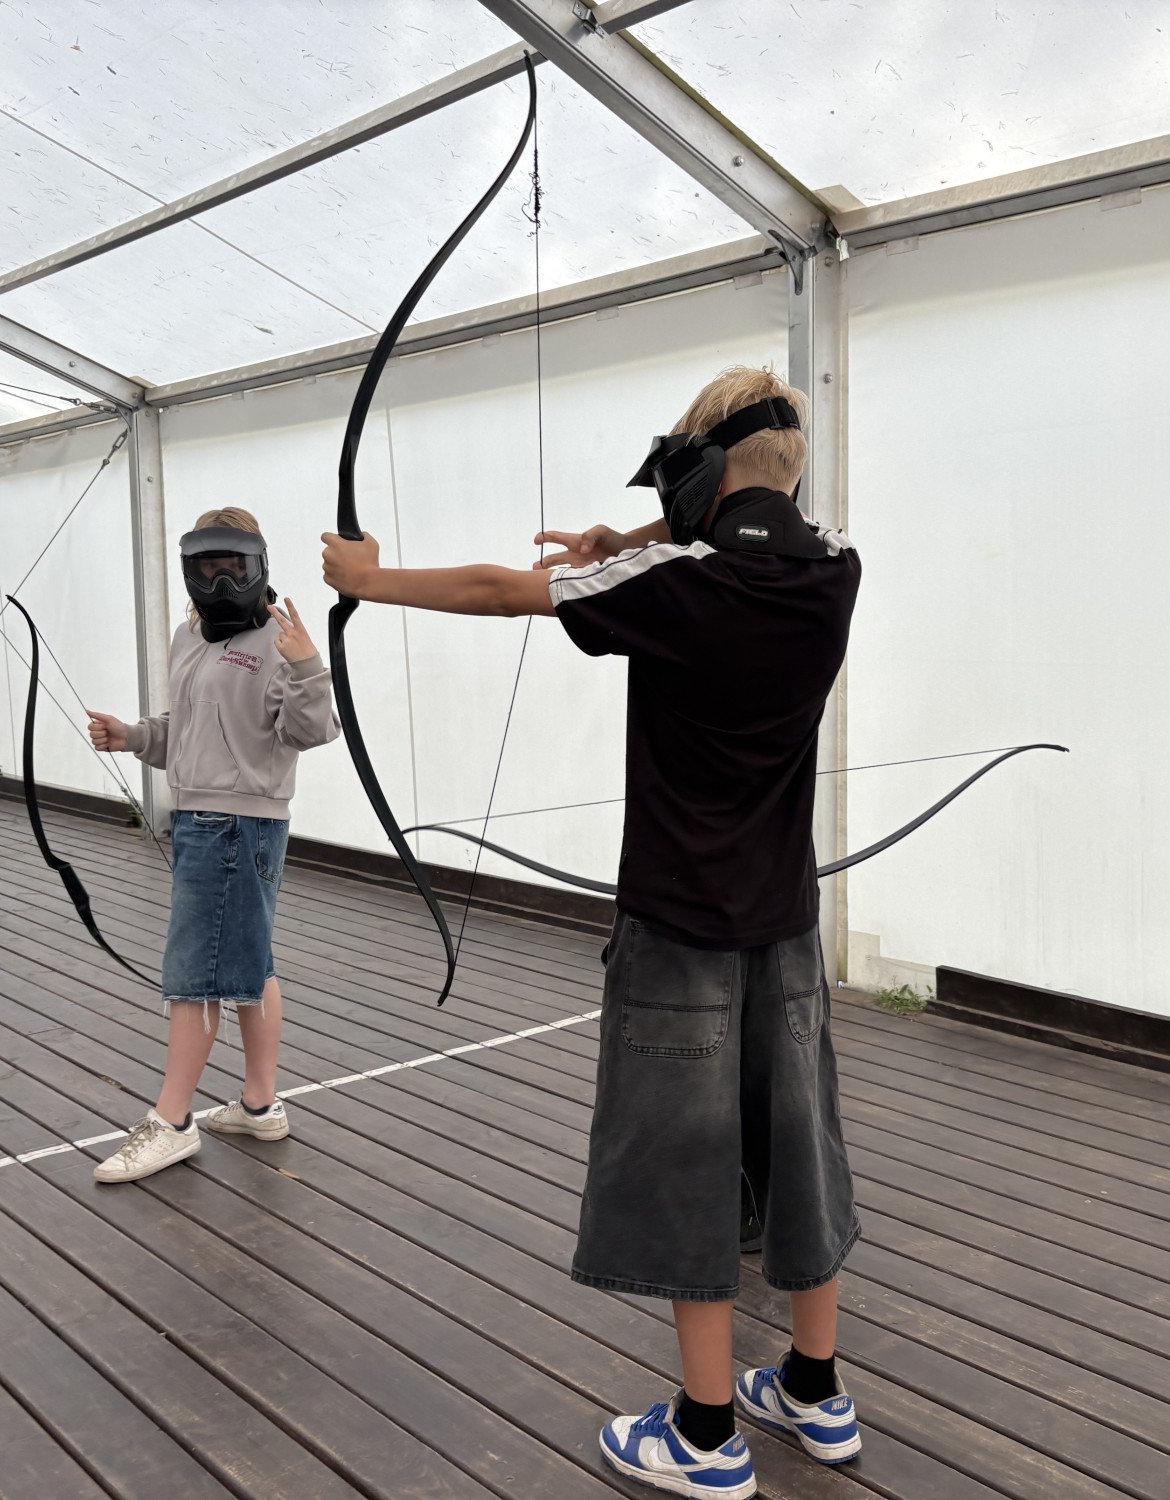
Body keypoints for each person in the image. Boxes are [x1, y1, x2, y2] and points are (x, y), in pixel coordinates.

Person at [322, 366, 862, 1499]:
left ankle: (705, 1434)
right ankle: (814, 1390)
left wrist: (370, 581)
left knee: (685, 1164)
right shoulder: (833, 570)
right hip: (785, 926)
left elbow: (499, 590)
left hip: (678, 930)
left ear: (699, 473)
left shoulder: (673, 586)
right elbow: (748, 524)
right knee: (800, 1147)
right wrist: (626, 539)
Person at [86, 506, 339, 1184]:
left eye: (233, 566)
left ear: (257, 565)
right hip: (200, 818)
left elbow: (311, 731)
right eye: (208, 567)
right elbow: (187, 730)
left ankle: (172, 1122)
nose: (221, 580)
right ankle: (259, 1104)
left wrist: (308, 665)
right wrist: (133, 736)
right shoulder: (188, 636)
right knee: (252, 963)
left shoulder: (279, 638)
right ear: (190, 569)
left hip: (238, 825)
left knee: (194, 973)